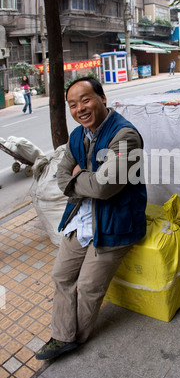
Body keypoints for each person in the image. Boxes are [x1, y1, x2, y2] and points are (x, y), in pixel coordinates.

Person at [36, 76, 147, 360]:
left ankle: (74, 338)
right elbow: (61, 177)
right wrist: (87, 180)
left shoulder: (125, 136)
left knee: (87, 286)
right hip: (82, 217)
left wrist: (80, 178)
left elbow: (104, 187)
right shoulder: (77, 135)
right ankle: (62, 334)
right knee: (61, 276)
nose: (79, 109)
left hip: (114, 223)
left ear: (102, 99)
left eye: (85, 100)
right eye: (72, 104)